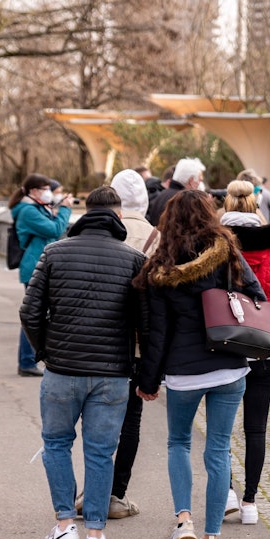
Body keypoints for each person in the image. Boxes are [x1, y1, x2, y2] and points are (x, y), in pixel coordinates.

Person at [135, 189, 266, 539]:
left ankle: (183, 522)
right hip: (230, 364)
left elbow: (155, 332)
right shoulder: (228, 252)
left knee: (178, 442)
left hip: (184, 371)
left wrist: (149, 380)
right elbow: (256, 295)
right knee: (219, 449)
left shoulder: (161, 265)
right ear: (210, 215)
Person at [19, 185, 146, 539]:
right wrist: (145, 372)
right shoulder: (134, 259)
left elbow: (29, 312)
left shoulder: (54, 252)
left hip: (62, 370)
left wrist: (45, 352)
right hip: (112, 375)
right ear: (119, 217)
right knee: (101, 452)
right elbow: (146, 323)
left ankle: (63, 527)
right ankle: (95, 536)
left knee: (56, 444)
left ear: (83, 213)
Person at [221, 180, 270, 523]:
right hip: (263, 348)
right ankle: (250, 502)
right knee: (256, 429)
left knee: (219, 431)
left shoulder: (215, 247)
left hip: (222, 348)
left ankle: (226, 494)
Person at [103, 169, 159, 519]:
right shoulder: (157, 237)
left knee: (98, 418)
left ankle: (95, 487)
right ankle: (116, 493)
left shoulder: (105, 229)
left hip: (105, 338)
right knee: (130, 423)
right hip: (139, 344)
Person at [10, 173, 73, 377]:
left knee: (39, 314)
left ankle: (31, 360)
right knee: (34, 315)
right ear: (34, 191)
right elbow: (54, 230)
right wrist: (65, 209)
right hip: (34, 267)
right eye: (45, 189)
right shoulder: (28, 211)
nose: (48, 193)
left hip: (39, 265)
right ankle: (27, 361)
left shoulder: (35, 208)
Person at [147, 157, 204, 226]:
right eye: (199, 180)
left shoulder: (162, 195)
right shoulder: (185, 201)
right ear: (191, 181)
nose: (200, 184)